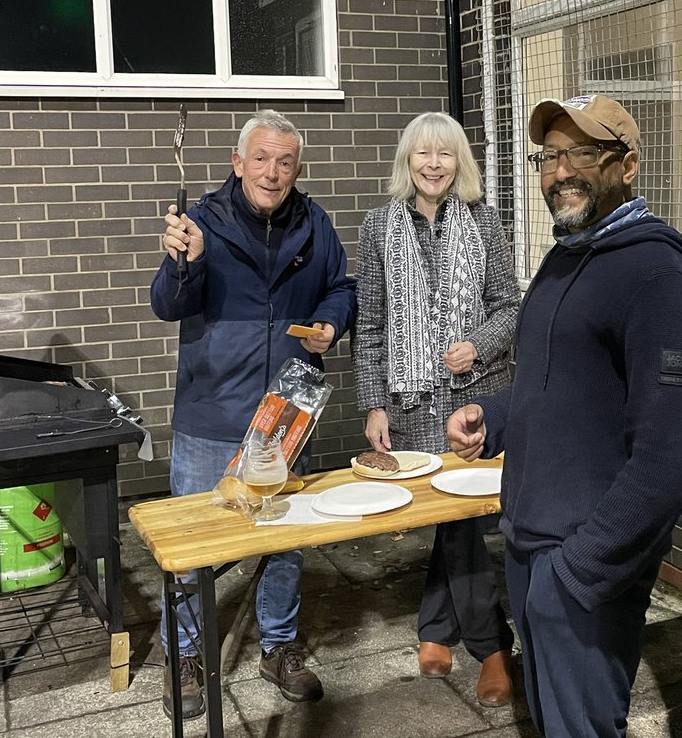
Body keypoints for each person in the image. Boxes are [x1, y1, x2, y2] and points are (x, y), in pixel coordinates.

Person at [447, 95, 682, 737]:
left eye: (582, 154)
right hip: (531, 540)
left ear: (628, 165)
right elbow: (557, 384)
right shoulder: (567, 257)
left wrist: (582, 569)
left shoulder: (655, 271)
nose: (561, 170)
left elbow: (669, 454)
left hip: (585, 560)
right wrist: (494, 414)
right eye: (550, 156)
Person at [151, 109, 356, 718]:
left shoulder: (315, 223)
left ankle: (279, 645)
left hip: (288, 412)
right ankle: (184, 653)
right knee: (197, 542)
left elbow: (340, 287)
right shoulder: (201, 223)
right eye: (261, 159)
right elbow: (167, 303)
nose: (273, 171)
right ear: (238, 163)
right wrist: (181, 260)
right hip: (212, 407)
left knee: (285, 539)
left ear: (298, 167)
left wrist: (329, 324)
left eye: (285, 161)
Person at [354, 111, 520, 706]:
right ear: (407, 161)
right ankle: (458, 633)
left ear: (460, 163)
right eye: (422, 153)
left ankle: (481, 641)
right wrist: (374, 405)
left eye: (444, 154)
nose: (432, 164)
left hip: (476, 400)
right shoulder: (377, 227)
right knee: (447, 522)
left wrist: (478, 345)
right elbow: (369, 325)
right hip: (412, 403)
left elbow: (510, 306)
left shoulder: (485, 221)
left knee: (460, 522)